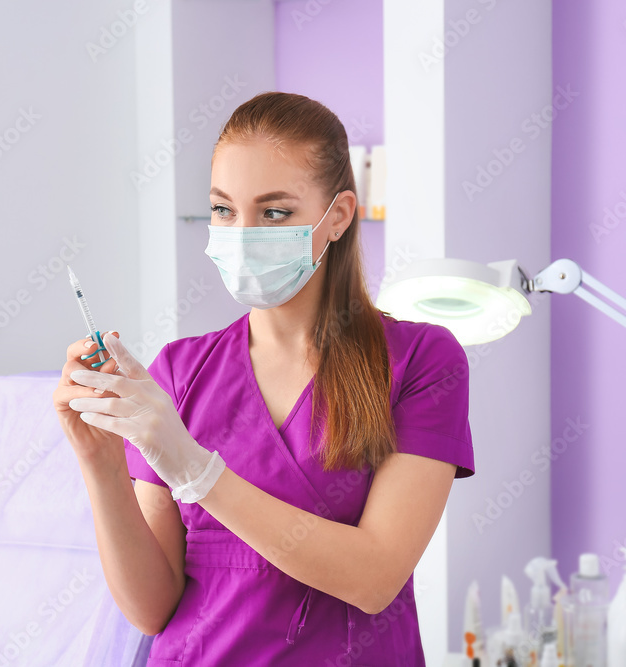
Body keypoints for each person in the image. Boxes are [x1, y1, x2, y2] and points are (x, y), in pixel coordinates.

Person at [53, 91, 475, 666]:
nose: (243, 233)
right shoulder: (180, 371)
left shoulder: (422, 361)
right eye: (224, 209)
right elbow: (151, 609)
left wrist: (195, 471)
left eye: (274, 212)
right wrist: (100, 461)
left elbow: (374, 578)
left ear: (339, 216)